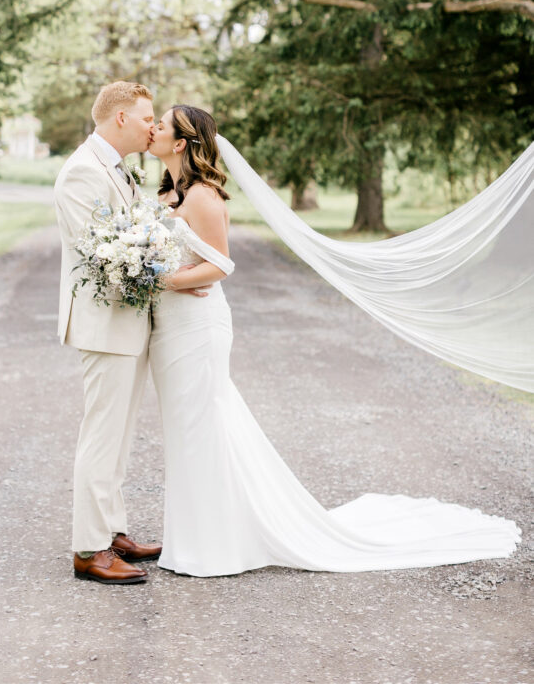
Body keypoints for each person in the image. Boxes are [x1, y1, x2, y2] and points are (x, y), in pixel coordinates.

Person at [147, 104, 520, 577]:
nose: (153, 128)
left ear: (181, 142)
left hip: (198, 326)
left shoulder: (202, 196)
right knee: (186, 429)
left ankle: (215, 544)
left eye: (161, 123)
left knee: (203, 424)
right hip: (172, 329)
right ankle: (197, 536)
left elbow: (221, 266)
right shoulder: (166, 196)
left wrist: (164, 282)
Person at [53, 81, 161, 585]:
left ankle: (113, 531)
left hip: (128, 322)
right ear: (120, 118)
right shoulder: (80, 172)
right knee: (101, 437)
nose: (152, 126)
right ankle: (89, 550)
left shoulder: (118, 170)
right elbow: (101, 254)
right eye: (146, 117)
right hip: (104, 324)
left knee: (118, 437)